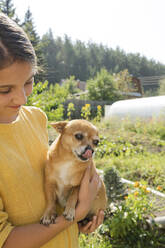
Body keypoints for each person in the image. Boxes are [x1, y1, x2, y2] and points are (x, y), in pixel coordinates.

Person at [0, 13, 104, 248]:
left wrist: (79, 218)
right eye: (5, 90)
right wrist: (74, 215)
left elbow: (52, 187)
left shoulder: (36, 118)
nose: (22, 98)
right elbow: (6, 242)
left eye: (28, 81)